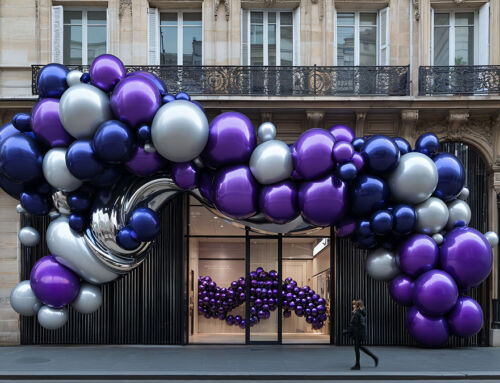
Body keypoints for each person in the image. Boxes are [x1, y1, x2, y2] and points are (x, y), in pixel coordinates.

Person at [343, 299, 378, 370]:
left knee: (357, 348)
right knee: (360, 347)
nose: (353, 306)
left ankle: (357, 365)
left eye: (354, 305)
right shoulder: (361, 313)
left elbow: (354, 325)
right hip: (360, 333)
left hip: (358, 333)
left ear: (357, 306)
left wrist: (347, 331)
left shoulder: (357, 313)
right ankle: (374, 357)